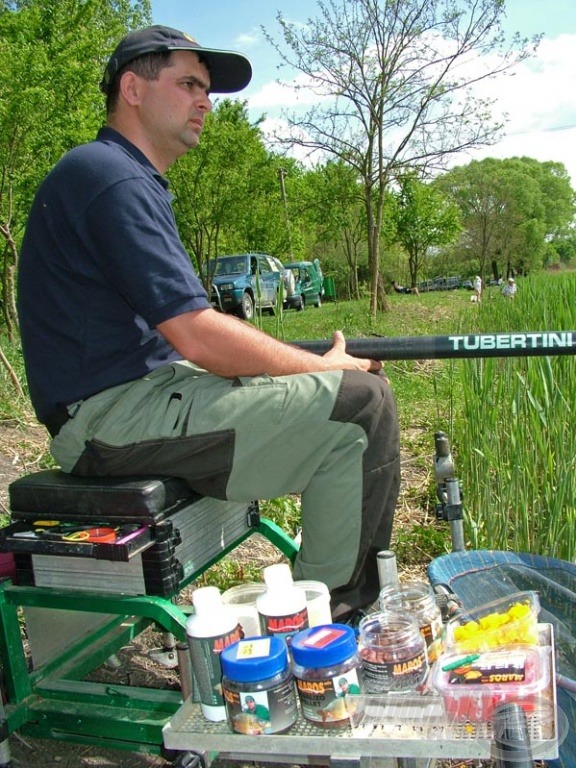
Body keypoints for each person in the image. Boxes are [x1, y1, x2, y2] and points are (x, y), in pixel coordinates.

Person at [17, 25, 400, 624]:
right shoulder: (108, 177)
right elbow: (197, 334)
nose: (206, 101)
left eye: (208, 90)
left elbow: (187, 335)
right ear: (133, 89)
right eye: (189, 83)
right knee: (359, 406)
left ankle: (337, 605)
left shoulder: (121, 176)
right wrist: (322, 366)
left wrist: (305, 364)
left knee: (351, 398)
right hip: (109, 419)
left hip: (144, 397)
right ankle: (331, 631)